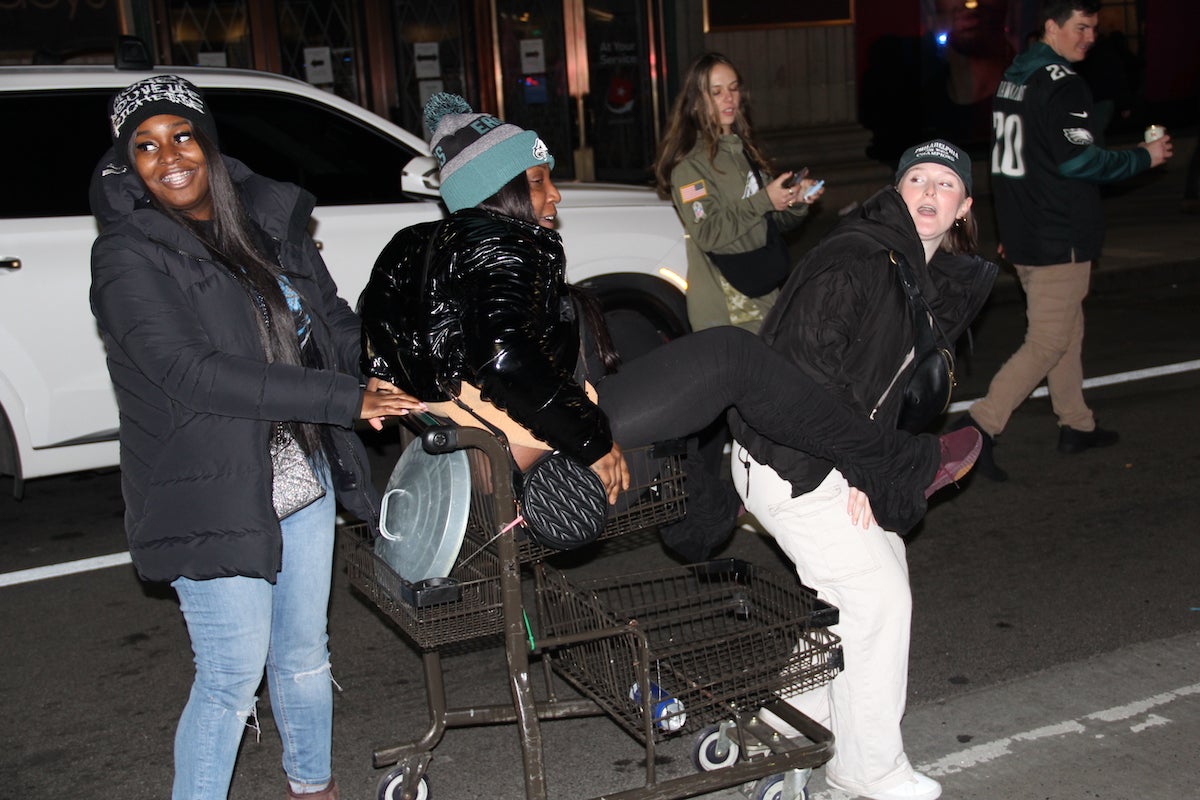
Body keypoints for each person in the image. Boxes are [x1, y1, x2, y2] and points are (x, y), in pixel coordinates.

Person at [360, 94, 983, 551]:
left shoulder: (413, 247)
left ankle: (700, 522)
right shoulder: (503, 242)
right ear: (504, 191)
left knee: (646, 347)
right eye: (542, 182)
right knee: (731, 359)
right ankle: (895, 466)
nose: (555, 198)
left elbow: (377, 349)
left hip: (468, 453)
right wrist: (591, 439)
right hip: (513, 451)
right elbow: (505, 358)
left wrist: (402, 396)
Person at [88, 75, 424, 800]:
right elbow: (193, 374)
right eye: (143, 146)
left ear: (208, 140)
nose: (168, 156)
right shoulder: (126, 257)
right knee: (231, 676)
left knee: (303, 652)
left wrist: (396, 368)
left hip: (299, 465)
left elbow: (331, 322)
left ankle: (314, 787)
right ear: (128, 163)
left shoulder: (268, 221)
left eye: (181, 135)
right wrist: (342, 397)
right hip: (205, 483)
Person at [730, 139, 998, 800]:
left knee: (870, 576)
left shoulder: (922, 276)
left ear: (963, 207)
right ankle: (865, 768)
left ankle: (780, 730)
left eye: (946, 184)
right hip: (786, 457)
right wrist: (854, 469)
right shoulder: (857, 260)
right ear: (897, 192)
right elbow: (802, 383)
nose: (930, 193)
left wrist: (871, 464)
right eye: (917, 180)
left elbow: (886, 392)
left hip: (821, 452)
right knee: (877, 596)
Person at [953, 0, 1174, 480]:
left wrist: (1010, 229)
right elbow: (1081, 162)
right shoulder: (1064, 85)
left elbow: (1009, 166)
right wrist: (1144, 156)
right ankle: (977, 429)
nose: (1089, 37)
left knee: (1066, 330)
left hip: (1029, 227)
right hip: (1059, 232)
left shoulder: (1015, 79)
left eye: (1094, 28)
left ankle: (1076, 423)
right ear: (1051, 27)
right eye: (1080, 27)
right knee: (1049, 340)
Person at [652, 52, 825, 333]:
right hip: (728, 307)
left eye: (733, 89)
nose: (729, 98)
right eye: (717, 92)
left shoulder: (741, 150)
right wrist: (764, 199)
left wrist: (795, 200)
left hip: (762, 290)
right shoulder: (689, 167)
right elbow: (708, 233)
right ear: (697, 102)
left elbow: (773, 223)